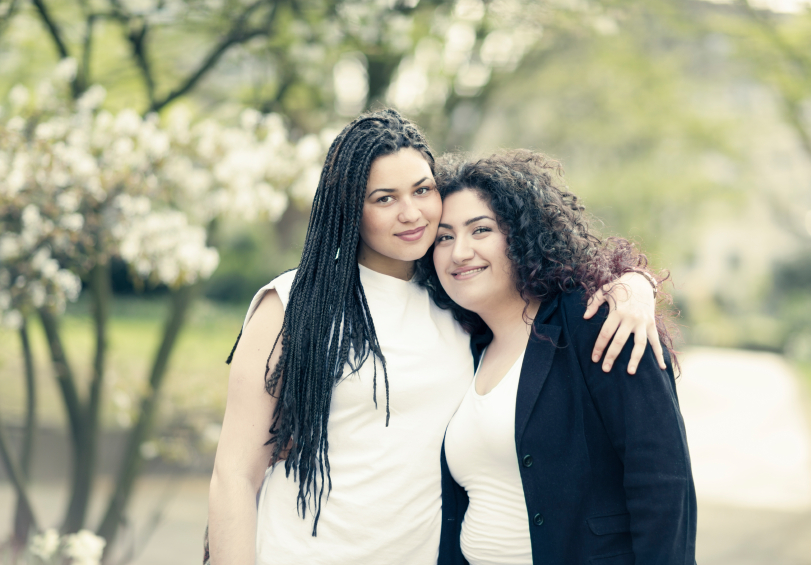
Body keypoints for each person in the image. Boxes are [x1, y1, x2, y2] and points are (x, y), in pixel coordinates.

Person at [207, 110, 662, 565]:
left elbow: (554, 279)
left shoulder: (456, 299)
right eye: (384, 198)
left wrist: (636, 284)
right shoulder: (292, 305)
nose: (411, 213)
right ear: (349, 208)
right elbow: (235, 476)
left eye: (422, 190)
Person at [427, 150, 697, 565]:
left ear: (520, 234)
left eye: (480, 230)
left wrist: (638, 281)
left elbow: (662, 480)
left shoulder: (595, 319)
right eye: (444, 237)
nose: (459, 252)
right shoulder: (466, 345)